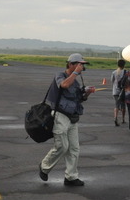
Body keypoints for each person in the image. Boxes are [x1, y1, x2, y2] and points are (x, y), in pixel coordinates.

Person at [39, 53, 96, 186]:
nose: (81, 67)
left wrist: (86, 93)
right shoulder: (61, 75)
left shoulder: (75, 81)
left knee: (74, 148)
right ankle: (44, 167)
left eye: (82, 65)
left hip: (73, 117)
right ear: (70, 64)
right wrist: (75, 73)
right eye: (79, 64)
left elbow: (79, 99)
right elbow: (64, 85)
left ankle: (71, 176)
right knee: (62, 146)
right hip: (61, 115)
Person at [111, 59, 127, 126]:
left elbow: (112, 81)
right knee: (123, 105)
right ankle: (123, 119)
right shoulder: (126, 72)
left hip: (115, 91)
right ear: (124, 65)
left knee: (116, 105)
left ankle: (115, 118)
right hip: (123, 91)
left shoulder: (114, 72)